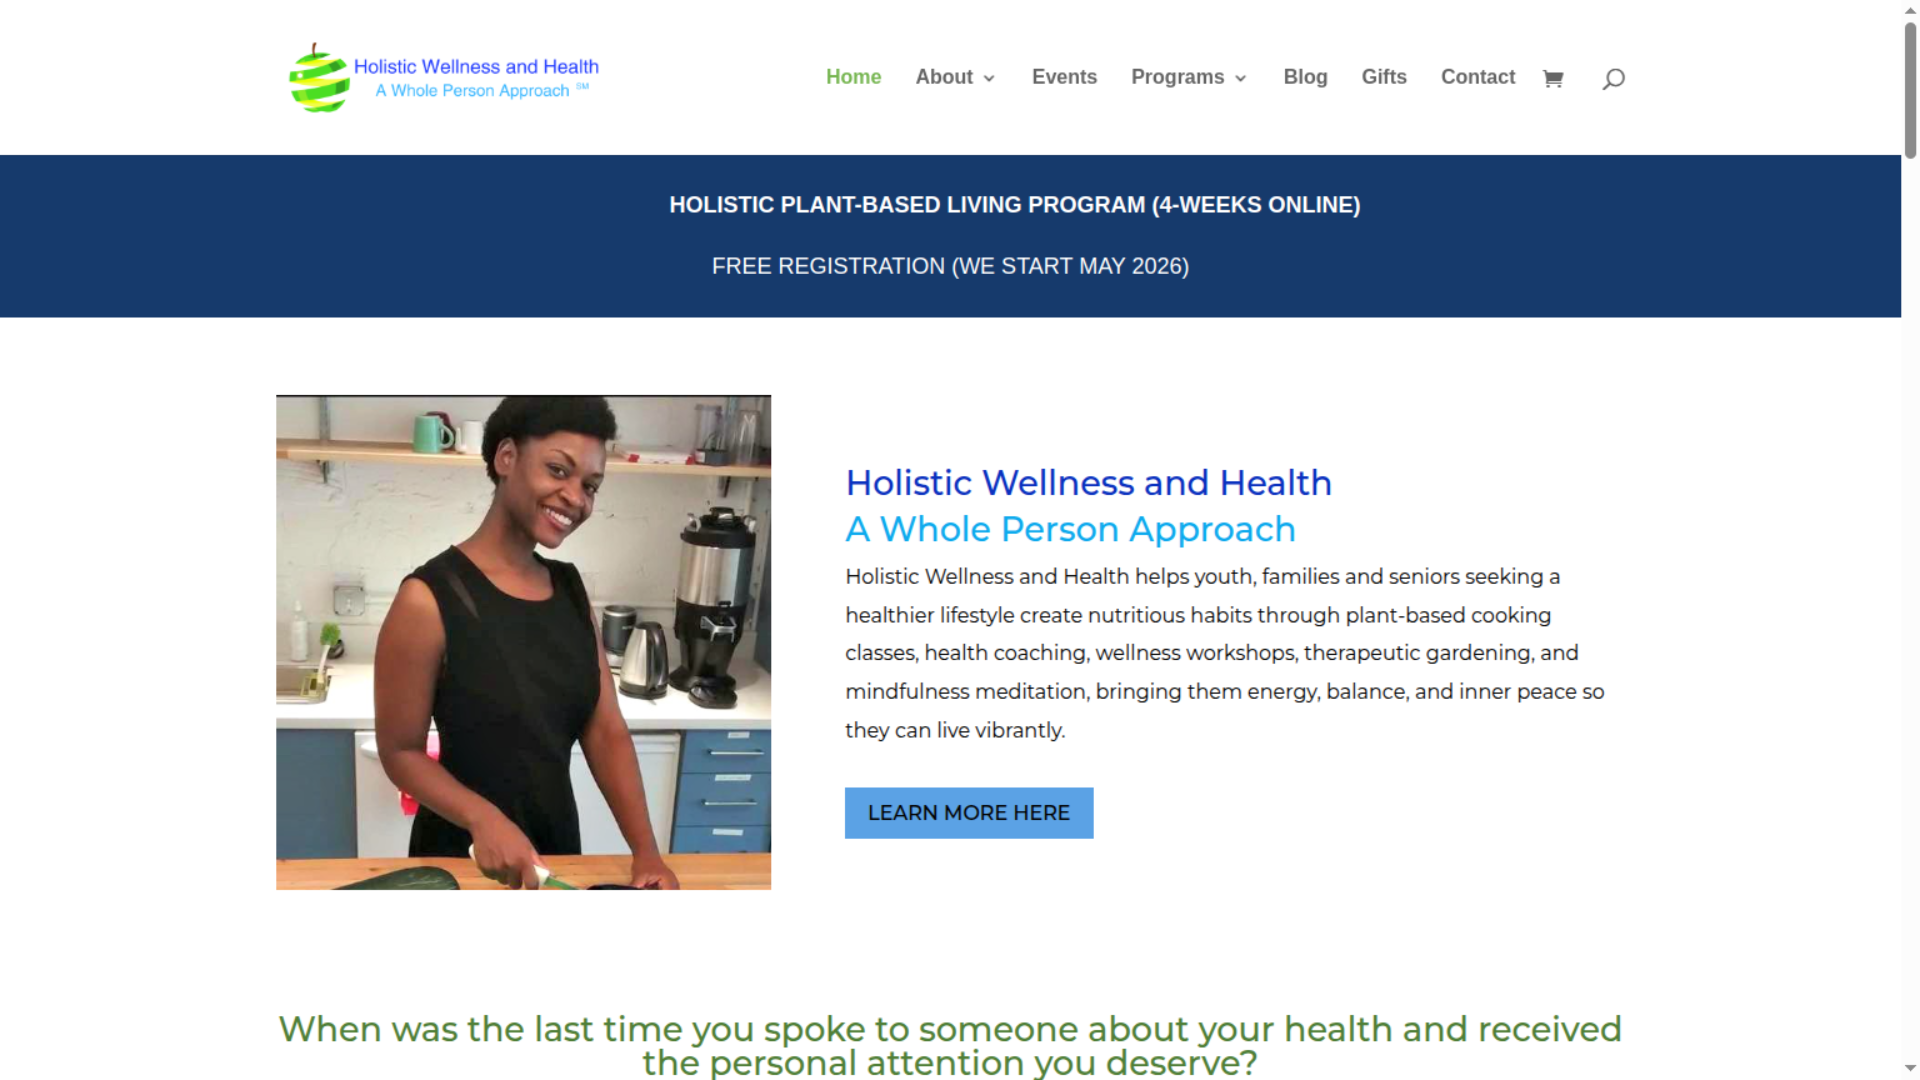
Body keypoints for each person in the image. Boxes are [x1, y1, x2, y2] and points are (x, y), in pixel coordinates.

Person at [374, 396, 679, 889]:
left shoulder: (571, 590)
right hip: (465, 859)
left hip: (556, 853)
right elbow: (400, 751)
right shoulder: (427, 599)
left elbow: (605, 732)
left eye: (590, 485)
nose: (575, 497)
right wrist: (482, 818)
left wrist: (646, 852)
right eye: (558, 470)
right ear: (507, 458)